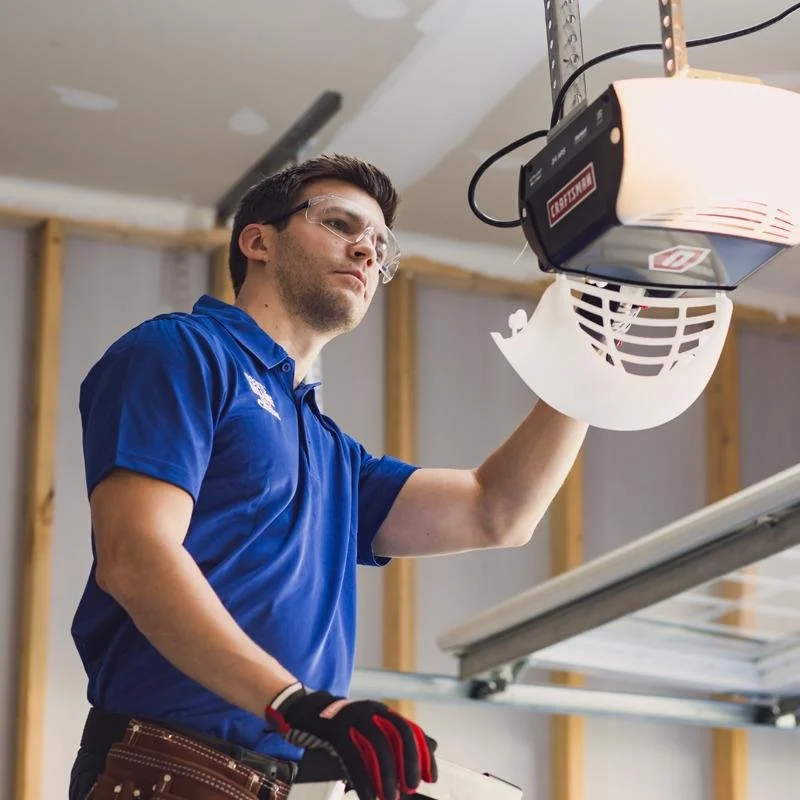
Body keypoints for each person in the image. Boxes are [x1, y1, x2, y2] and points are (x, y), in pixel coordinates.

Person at [68, 154, 588, 800]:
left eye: (380, 247)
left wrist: (586, 371)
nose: (367, 253)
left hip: (281, 784)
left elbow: (497, 510)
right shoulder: (184, 353)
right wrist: (294, 701)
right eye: (342, 224)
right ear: (258, 240)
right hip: (170, 773)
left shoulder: (333, 453)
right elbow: (134, 554)